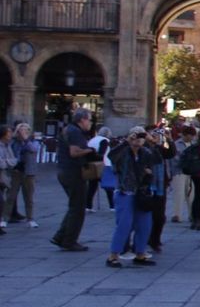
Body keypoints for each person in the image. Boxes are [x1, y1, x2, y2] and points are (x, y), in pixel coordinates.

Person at [105, 128, 158, 268]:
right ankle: (114, 255)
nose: (138, 140)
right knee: (124, 224)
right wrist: (126, 142)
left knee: (144, 224)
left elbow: (158, 159)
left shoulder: (145, 152)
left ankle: (140, 253)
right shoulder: (123, 152)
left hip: (142, 193)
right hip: (125, 192)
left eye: (141, 136)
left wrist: (152, 142)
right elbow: (112, 156)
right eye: (136, 136)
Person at [51, 108, 95, 251]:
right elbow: (74, 152)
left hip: (65, 171)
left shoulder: (68, 129)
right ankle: (69, 241)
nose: (91, 122)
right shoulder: (75, 132)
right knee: (78, 208)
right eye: (89, 119)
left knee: (74, 205)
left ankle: (60, 236)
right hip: (73, 172)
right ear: (82, 120)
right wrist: (91, 150)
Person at [5, 122, 41, 229]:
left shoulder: (33, 142)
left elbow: (33, 149)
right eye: (21, 130)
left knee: (29, 197)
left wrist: (26, 139)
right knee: (10, 196)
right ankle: (4, 218)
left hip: (29, 173)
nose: (24, 132)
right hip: (16, 172)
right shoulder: (13, 142)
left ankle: (30, 219)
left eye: (26, 130)